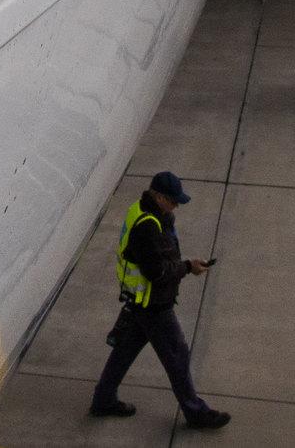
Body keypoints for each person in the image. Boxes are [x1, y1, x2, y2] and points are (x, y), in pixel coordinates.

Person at [87, 171, 232, 430]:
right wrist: (188, 267)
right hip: (153, 305)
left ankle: (103, 400)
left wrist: (185, 263)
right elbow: (157, 273)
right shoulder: (148, 226)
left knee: (124, 351)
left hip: (140, 302)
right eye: (173, 201)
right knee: (178, 357)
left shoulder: (143, 211)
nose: (176, 206)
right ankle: (196, 413)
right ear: (158, 197)